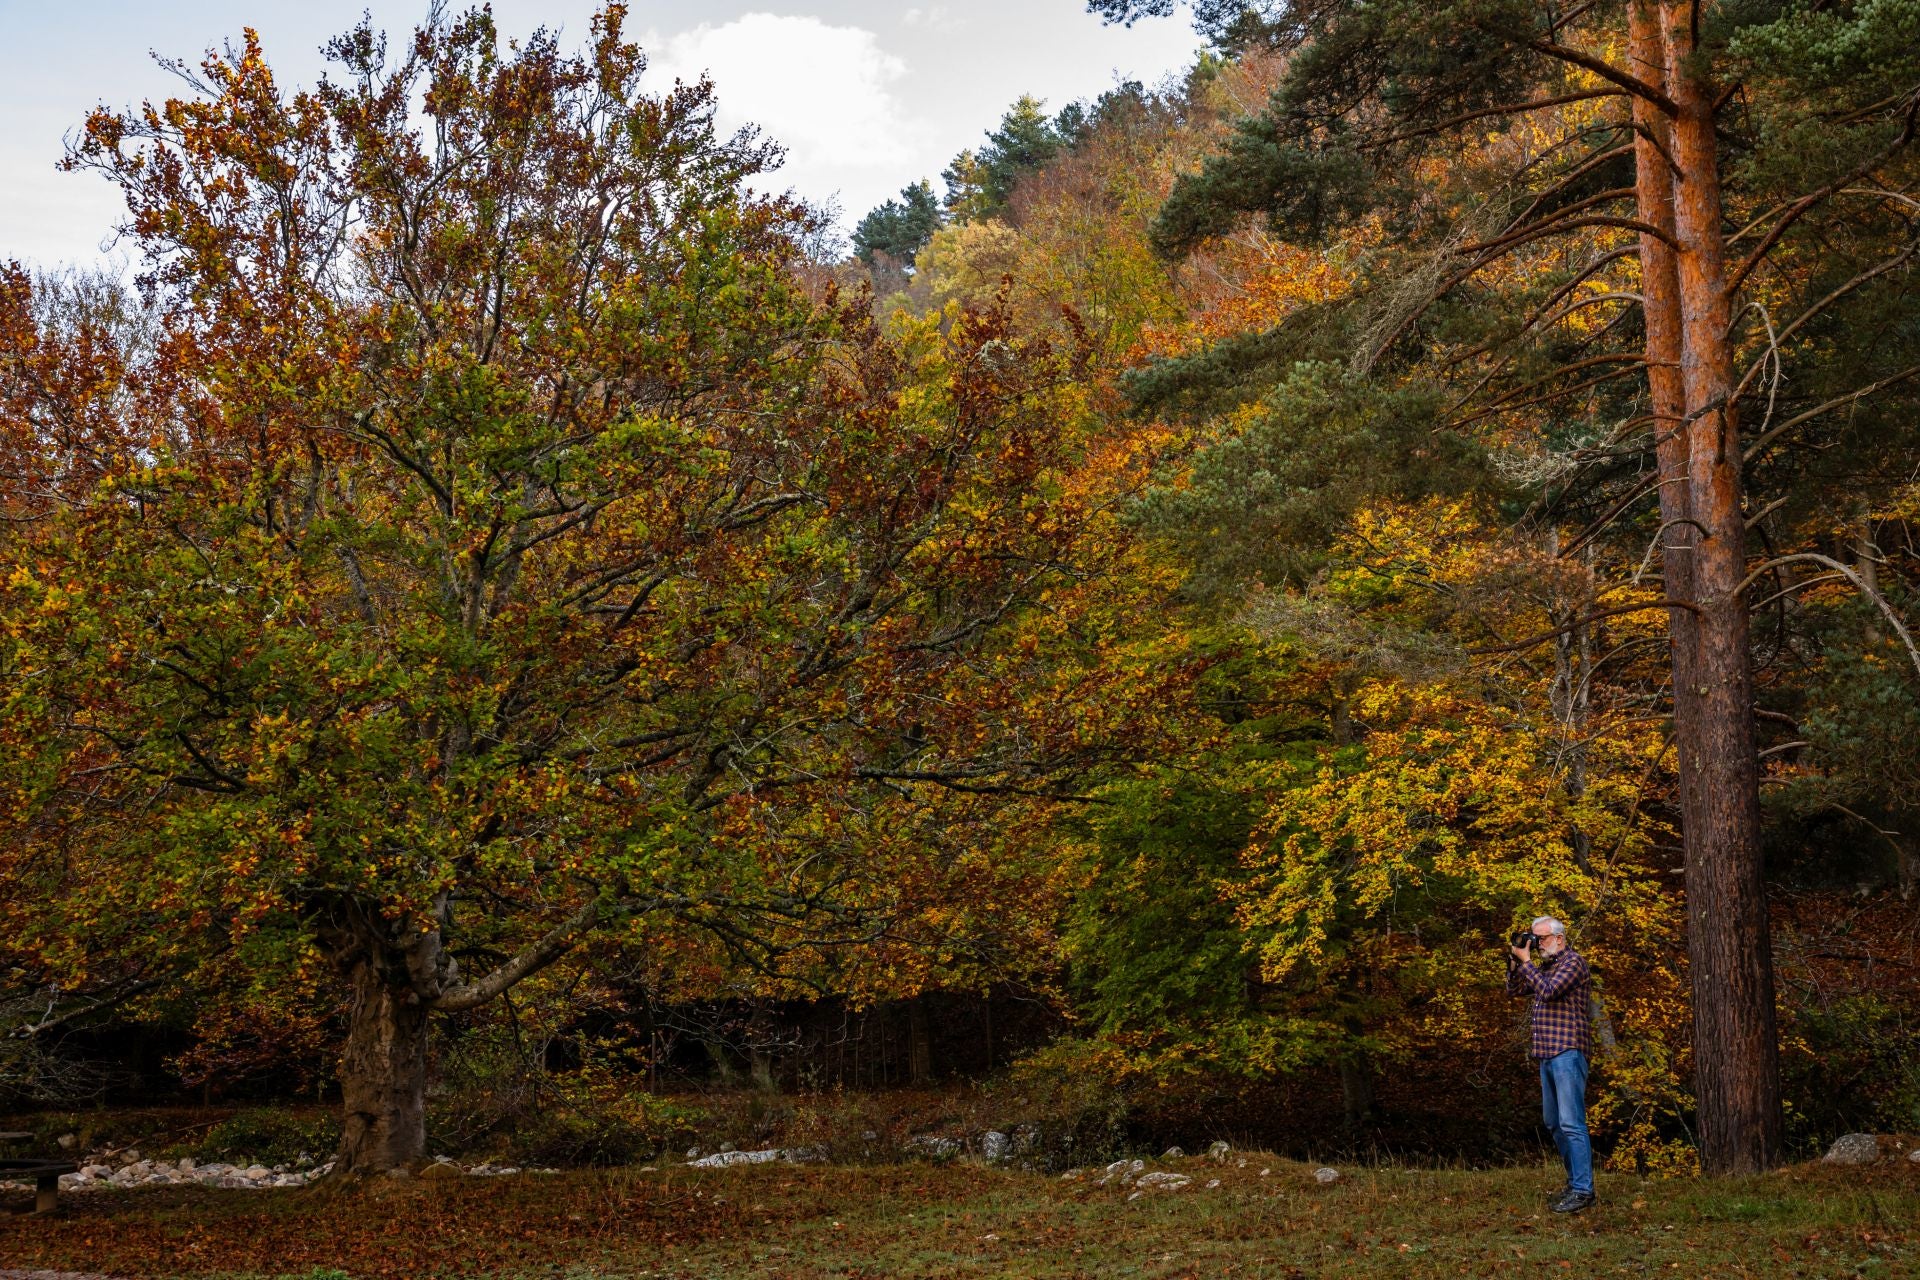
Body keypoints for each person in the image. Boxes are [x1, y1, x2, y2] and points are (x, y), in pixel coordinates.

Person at [1507, 915, 1596, 1213]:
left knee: (1572, 1123)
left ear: (1559, 938)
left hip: (1568, 1051)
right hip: (1546, 1052)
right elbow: (1515, 990)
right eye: (1534, 938)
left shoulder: (1573, 963)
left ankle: (1584, 1191)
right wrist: (1516, 959)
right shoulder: (1545, 967)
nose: (1537, 943)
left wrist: (1527, 961)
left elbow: (1547, 991)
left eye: (1541, 938)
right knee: (1554, 1123)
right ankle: (1575, 1185)